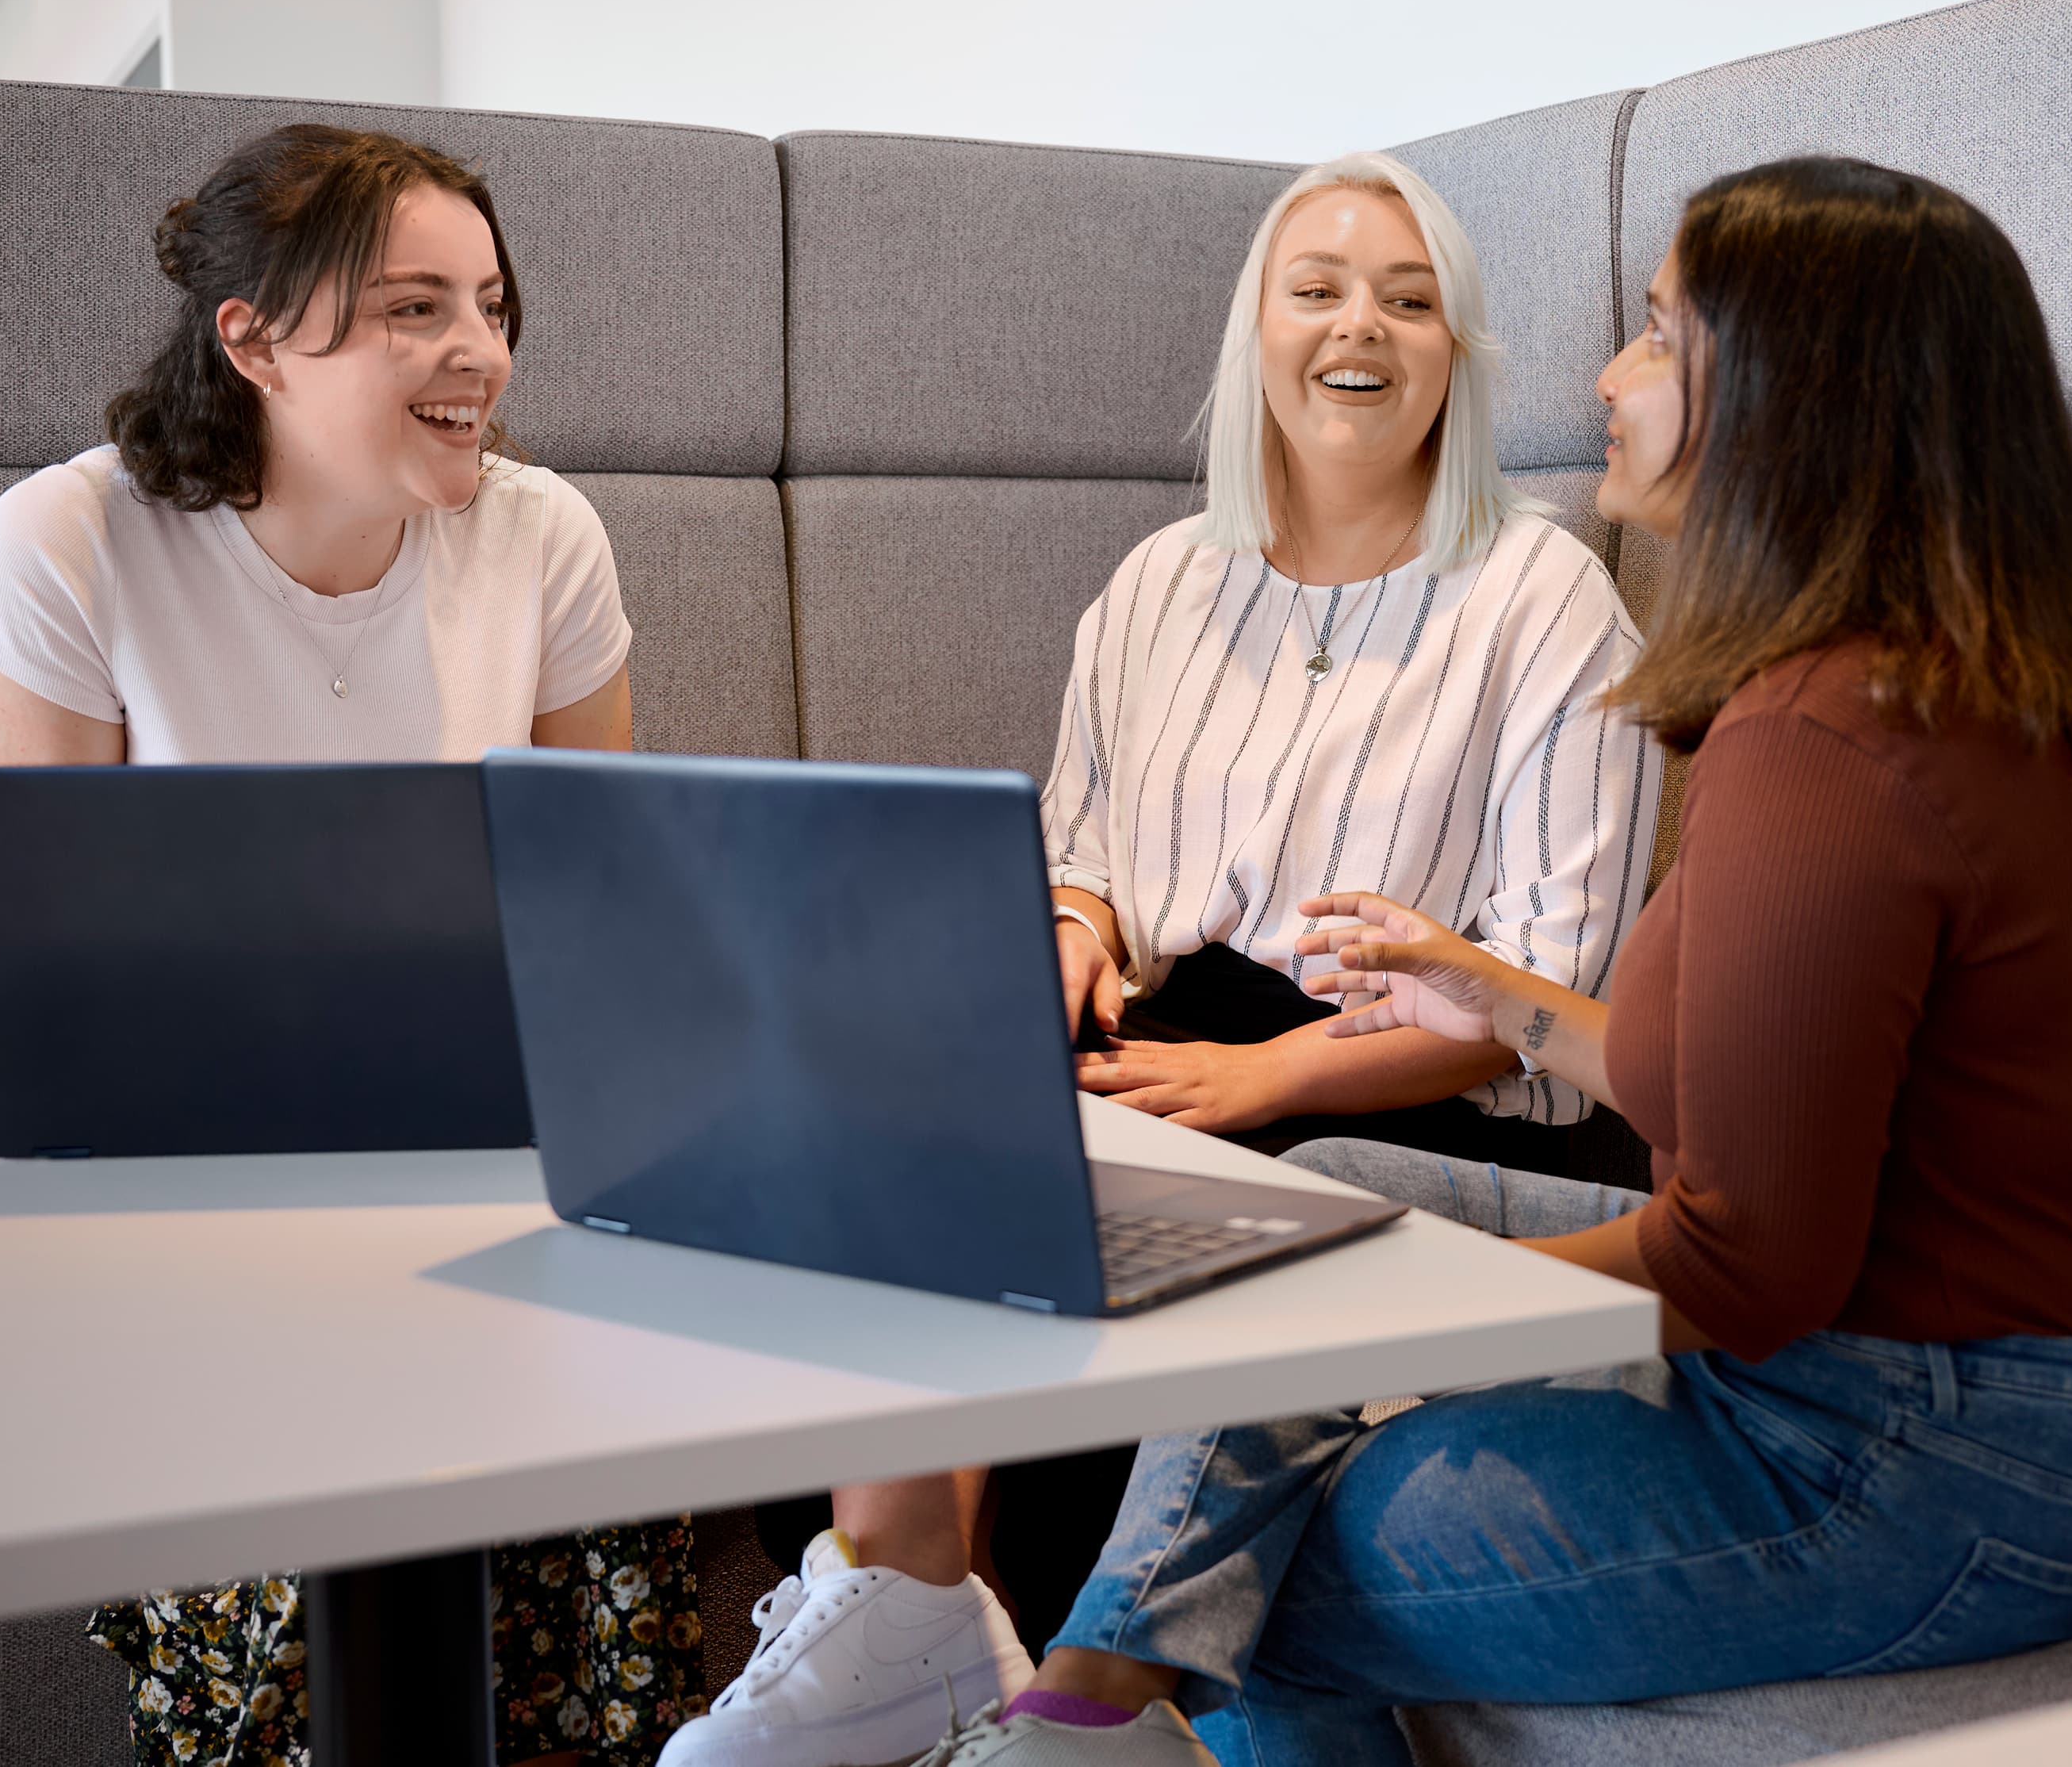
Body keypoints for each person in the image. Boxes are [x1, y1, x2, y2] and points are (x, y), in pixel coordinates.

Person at [921, 155, 2072, 1766]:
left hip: (1921, 1453)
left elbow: (1748, 1269)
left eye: (1658, 336)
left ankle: (1068, 1715)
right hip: (1925, 1383)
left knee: (1262, 1575)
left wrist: (1406, 1315)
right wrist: (1499, 997)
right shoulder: (1893, 687)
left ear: (1797, 401)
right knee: (1328, 1206)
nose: (1609, 377)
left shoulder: (1826, 747)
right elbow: (1716, 1075)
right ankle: (1077, 1716)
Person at [666, 155, 1660, 1767]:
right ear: (1252, 331)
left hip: (1407, 1095)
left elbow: (1537, 993)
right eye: (1318, 288)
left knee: (1087, 1271)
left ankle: (1028, 1691)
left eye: (1411, 302)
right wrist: (1072, 933)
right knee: (854, 1169)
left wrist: (1264, 1071)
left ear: (1459, 354)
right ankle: (921, 1634)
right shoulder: (1161, 582)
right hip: (1163, 1044)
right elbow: (1093, 857)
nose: (1363, 328)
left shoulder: (1544, 595)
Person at [0, 125, 685, 1767]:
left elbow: (600, 928)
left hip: (497, 1186)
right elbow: (67, 1000)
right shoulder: (68, 546)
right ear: (254, 340)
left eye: (490, 305)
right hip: (195, 1225)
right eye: (415, 309)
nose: (476, 352)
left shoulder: (545, 535)